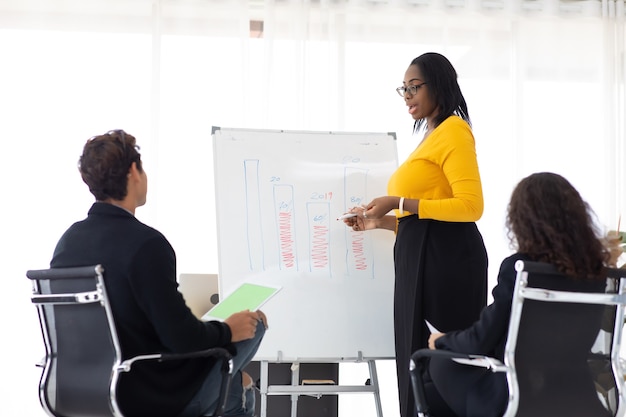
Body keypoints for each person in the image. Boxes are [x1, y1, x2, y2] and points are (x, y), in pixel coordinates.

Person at [50, 129, 266, 417]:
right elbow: (182, 339)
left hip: (81, 390)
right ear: (133, 172)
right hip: (149, 393)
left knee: (236, 388)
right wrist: (228, 329)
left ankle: (239, 386)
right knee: (255, 325)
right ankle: (240, 386)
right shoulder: (146, 244)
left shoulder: (68, 242)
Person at [343, 52, 488, 417]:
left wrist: (398, 200)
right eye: (402, 89)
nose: (407, 95)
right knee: (417, 367)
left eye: (414, 86)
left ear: (438, 84)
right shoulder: (431, 136)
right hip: (424, 260)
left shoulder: (454, 130)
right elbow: (422, 225)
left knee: (438, 369)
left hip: (448, 266)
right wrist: (382, 222)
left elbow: (471, 207)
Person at [424, 172, 613, 417]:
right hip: (578, 397)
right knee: (432, 394)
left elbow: (480, 340)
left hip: (516, 398)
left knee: (439, 363)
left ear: (521, 220)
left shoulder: (520, 268)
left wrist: (441, 340)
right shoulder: (595, 274)